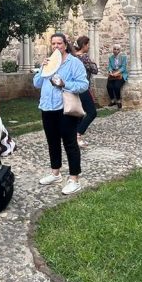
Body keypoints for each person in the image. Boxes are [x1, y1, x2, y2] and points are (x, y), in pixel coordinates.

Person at [33, 33, 88, 195]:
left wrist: (65, 84)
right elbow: (36, 83)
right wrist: (42, 69)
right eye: (54, 44)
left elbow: (83, 84)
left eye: (59, 43)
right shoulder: (49, 62)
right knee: (52, 141)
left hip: (65, 108)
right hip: (47, 107)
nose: (56, 46)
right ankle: (55, 173)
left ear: (65, 45)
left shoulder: (74, 62)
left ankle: (74, 179)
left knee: (70, 143)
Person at [73, 35, 99, 145]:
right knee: (92, 113)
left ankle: (75, 137)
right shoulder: (84, 57)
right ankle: (78, 133)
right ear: (83, 45)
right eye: (87, 44)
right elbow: (95, 70)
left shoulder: (72, 57)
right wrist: (91, 62)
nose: (88, 47)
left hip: (74, 88)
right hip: (83, 88)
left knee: (80, 113)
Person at [106, 43, 128, 109]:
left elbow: (123, 67)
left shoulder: (123, 57)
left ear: (120, 50)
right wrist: (110, 71)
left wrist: (117, 72)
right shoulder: (111, 57)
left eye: (117, 49)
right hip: (113, 74)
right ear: (113, 50)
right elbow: (109, 66)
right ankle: (112, 100)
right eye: (114, 49)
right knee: (108, 86)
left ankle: (118, 101)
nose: (116, 51)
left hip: (121, 74)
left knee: (116, 86)